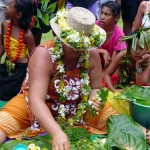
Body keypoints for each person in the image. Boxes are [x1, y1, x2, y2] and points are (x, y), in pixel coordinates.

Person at [0, 7, 106, 149]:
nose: (80, 49)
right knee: (3, 124)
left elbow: (96, 87)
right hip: (33, 105)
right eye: (74, 45)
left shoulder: (91, 54)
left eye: (83, 46)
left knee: (113, 118)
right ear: (62, 38)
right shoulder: (44, 54)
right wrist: (57, 132)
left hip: (78, 106)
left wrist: (94, 98)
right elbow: (36, 100)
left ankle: (146, 134)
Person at [0, 0, 35, 100]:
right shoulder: (4, 24)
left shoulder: (27, 35)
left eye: (10, 6)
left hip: (20, 70)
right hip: (7, 64)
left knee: (4, 92)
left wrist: (29, 78)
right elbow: (2, 45)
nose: (6, 7)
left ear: (18, 14)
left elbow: (33, 56)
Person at [96, 1, 126, 68]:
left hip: (108, 66)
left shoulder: (119, 35)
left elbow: (112, 64)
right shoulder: (94, 27)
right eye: (101, 13)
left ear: (116, 18)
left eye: (107, 14)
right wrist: (103, 51)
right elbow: (85, 49)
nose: (102, 17)